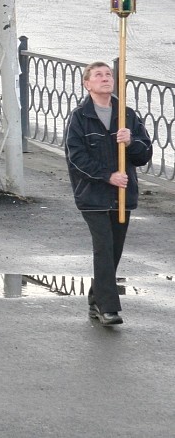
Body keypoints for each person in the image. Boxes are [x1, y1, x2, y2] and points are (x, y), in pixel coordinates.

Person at [65, 62, 152, 326]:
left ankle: (96, 296)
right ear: (87, 84)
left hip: (123, 195)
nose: (105, 79)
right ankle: (109, 308)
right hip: (92, 194)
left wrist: (131, 141)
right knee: (103, 247)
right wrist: (107, 175)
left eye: (109, 75)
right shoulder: (80, 117)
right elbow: (76, 157)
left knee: (114, 250)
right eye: (98, 75)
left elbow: (144, 154)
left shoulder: (126, 114)